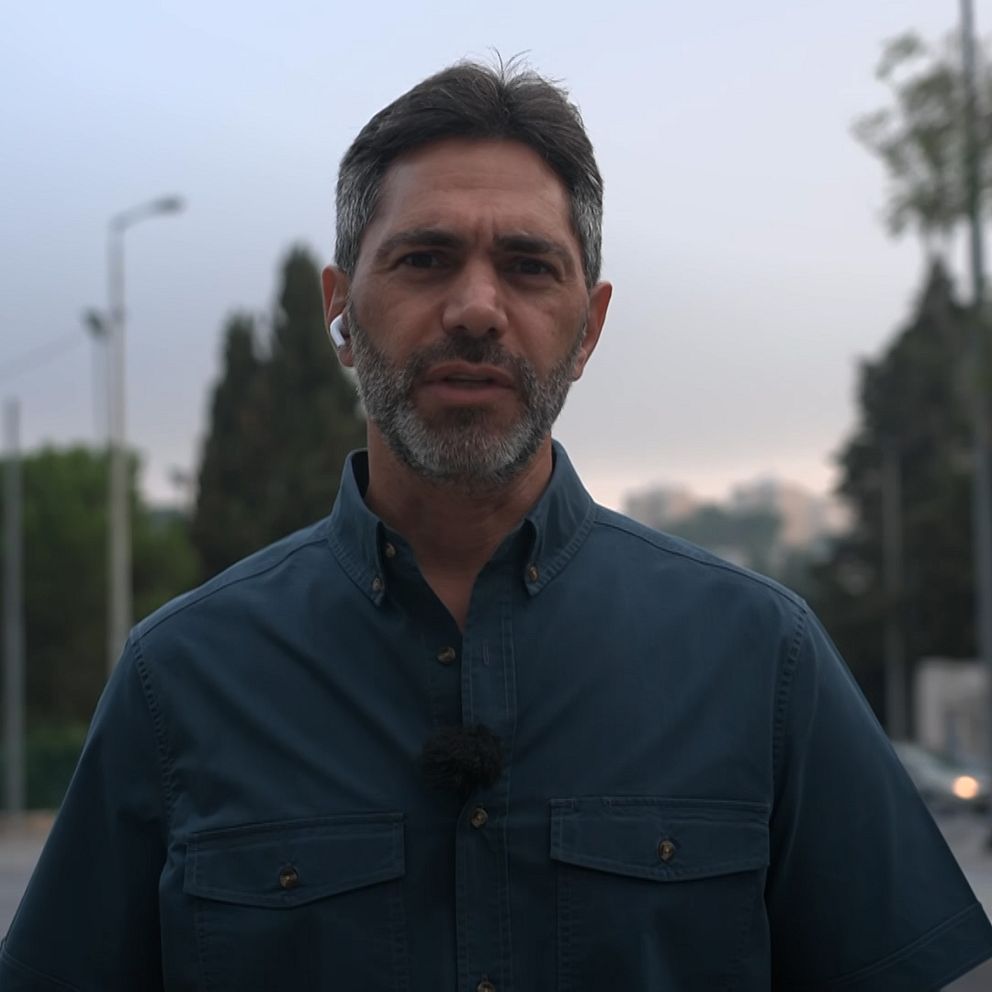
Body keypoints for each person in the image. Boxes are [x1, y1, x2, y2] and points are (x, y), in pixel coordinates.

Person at [2, 60, 991, 992]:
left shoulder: (761, 658)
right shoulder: (181, 678)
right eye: (424, 258)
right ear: (340, 310)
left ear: (588, 326)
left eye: (527, 266)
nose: (476, 309)